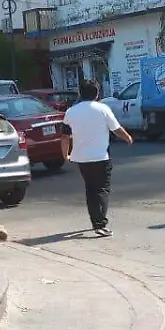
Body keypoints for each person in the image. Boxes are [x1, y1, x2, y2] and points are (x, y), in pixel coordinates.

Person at [62, 79, 133, 237]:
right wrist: (128, 138)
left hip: (81, 158)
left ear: (81, 93)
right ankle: (100, 223)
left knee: (91, 189)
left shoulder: (71, 111)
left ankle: (96, 221)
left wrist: (65, 154)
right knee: (102, 189)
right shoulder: (103, 109)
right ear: (97, 94)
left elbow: (65, 136)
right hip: (101, 156)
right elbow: (116, 129)